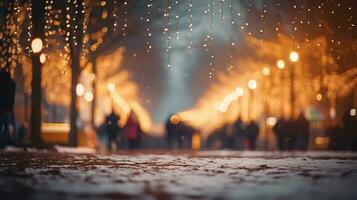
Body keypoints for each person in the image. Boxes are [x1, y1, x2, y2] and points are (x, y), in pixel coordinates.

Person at [0, 68, 16, 149]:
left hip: (1, 107)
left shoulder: (1, 82)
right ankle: (3, 143)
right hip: (8, 108)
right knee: (6, 126)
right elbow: (12, 97)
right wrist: (11, 106)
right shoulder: (12, 83)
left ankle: (1, 142)